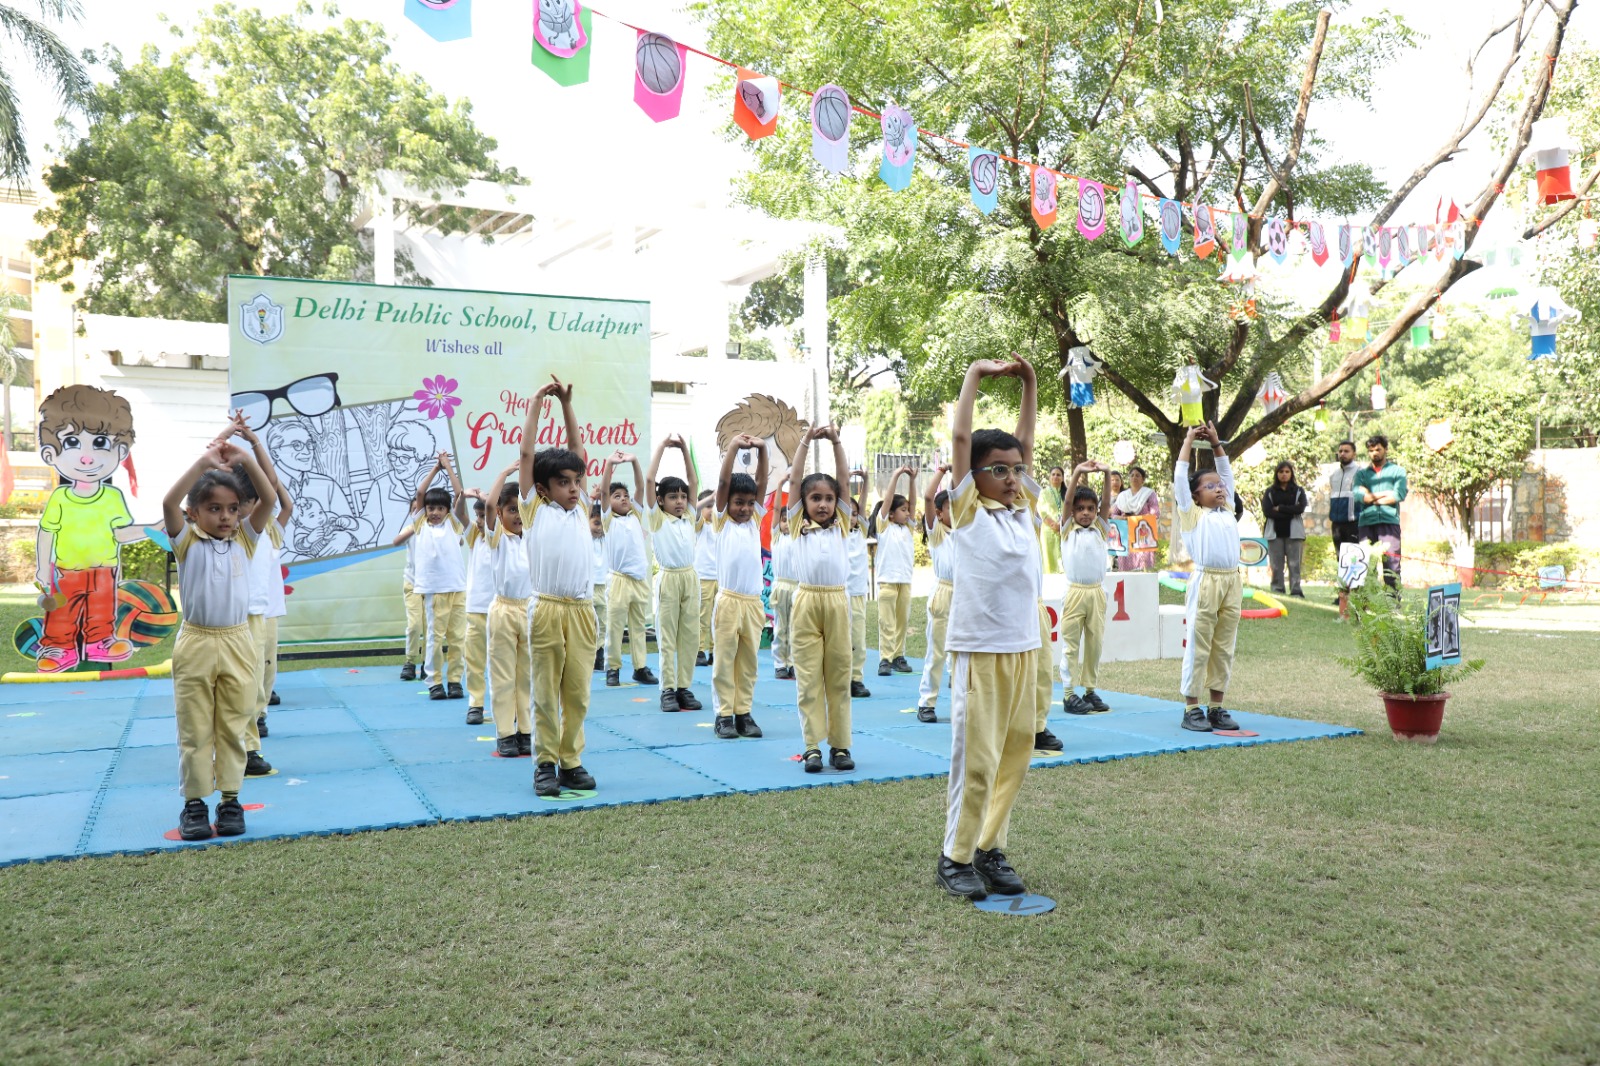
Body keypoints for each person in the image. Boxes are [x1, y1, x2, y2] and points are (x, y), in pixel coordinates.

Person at [938, 356, 1041, 902]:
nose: (1009, 477)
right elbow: (961, 434)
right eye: (997, 469)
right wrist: (975, 372)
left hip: (1024, 648)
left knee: (1014, 753)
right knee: (976, 761)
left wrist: (1029, 382)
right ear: (974, 476)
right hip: (980, 651)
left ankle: (988, 846)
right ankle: (954, 856)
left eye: (1015, 469)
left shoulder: (1022, 506)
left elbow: (1023, 440)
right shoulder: (968, 512)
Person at [163, 430, 275, 841]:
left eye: (231, 509)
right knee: (194, 727)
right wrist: (204, 463)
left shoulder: (245, 539)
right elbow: (167, 503)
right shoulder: (186, 540)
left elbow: (270, 500)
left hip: (237, 641)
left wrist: (245, 458)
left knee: (233, 723)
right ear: (195, 513)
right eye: (214, 508)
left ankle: (230, 800)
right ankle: (194, 803)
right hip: (196, 642)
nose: (225, 516)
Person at [518, 376, 599, 798]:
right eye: (563, 482)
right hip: (547, 608)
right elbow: (527, 453)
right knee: (546, 692)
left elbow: (577, 450)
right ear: (544, 487)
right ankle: (545, 763)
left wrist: (567, 404)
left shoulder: (581, 505)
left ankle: (571, 761)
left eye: (575, 481)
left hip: (583, 611)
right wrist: (536, 404)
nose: (571, 488)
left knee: (578, 693)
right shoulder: (533, 509)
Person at [33, 384, 145, 673]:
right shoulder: (60, 498)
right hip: (66, 572)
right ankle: (59, 648)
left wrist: (153, 528)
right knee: (61, 614)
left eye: (99, 444)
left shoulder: (112, 498)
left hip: (104, 570)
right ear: (50, 454)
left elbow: (120, 533)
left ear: (120, 452)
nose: (87, 457)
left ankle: (101, 641)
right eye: (71, 443)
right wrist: (43, 568)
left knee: (101, 611)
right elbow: (47, 533)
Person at [785, 424, 855, 772]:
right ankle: (812, 746)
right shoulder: (797, 523)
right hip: (807, 604)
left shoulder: (843, 522)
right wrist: (805, 441)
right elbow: (795, 480)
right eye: (816, 498)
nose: (824, 504)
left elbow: (843, 476)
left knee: (839, 676)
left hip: (838, 603)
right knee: (809, 677)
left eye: (829, 498)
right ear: (804, 503)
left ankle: (840, 746)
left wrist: (836, 442)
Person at [228, 414, 294, 779]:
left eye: (253, 500)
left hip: (264, 613)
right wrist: (229, 446)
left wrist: (253, 444)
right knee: (240, 682)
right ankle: (242, 742)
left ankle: (254, 729)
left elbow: (274, 489)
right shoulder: (231, 528)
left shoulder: (269, 529)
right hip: (234, 616)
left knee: (262, 676)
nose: (249, 506)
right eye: (243, 502)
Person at [1174, 423, 1243, 733]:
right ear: (1194, 495)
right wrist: (1189, 440)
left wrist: (1216, 443)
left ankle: (1216, 706)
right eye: (1210, 486)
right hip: (1206, 583)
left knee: (1224, 646)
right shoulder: (1192, 514)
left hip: (1232, 582)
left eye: (1220, 486)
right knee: (1199, 645)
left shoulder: (1227, 510)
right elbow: (1180, 477)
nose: (1219, 488)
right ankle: (1192, 708)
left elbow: (1226, 474)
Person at [393, 453, 469, 702]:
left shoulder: (454, 524)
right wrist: (436, 469)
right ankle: (434, 681)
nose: (435, 512)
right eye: (430, 508)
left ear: (447, 511)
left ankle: (455, 679)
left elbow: (459, 495)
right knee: (435, 639)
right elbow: (419, 493)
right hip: (434, 592)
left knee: (458, 638)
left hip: (457, 588)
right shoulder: (420, 524)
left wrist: (449, 468)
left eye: (440, 508)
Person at [711, 434, 770, 740]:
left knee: (748, 662)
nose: (746, 508)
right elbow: (722, 484)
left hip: (753, 603)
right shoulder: (721, 522)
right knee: (724, 660)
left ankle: (743, 712)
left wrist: (761, 449)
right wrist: (733, 447)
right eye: (739, 503)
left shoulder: (753, 522)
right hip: (729, 602)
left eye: (749, 503)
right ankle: (723, 715)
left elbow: (761, 482)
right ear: (727, 503)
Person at [644, 435, 703, 713]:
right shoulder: (657, 519)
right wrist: (662, 447)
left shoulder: (690, 516)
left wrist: (683, 452)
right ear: (660, 500)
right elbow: (648, 480)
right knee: (667, 636)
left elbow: (694, 482)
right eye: (673, 497)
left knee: (690, 636)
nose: (680, 501)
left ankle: (684, 687)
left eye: (682, 496)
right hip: (669, 578)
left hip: (690, 578)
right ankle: (667, 689)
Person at [484, 461, 532, 758]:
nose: (517, 515)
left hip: (530, 609)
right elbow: (488, 504)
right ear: (501, 514)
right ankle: (505, 732)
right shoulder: (497, 538)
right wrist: (504, 474)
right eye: (511, 509)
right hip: (503, 610)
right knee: (503, 675)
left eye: (520, 509)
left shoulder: (533, 537)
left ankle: (526, 730)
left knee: (526, 675)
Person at [599, 451, 658, 688]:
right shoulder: (608, 520)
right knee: (614, 626)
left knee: (638, 627)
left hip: (638, 580)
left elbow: (640, 488)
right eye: (617, 496)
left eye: (625, 495)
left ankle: (640, 667)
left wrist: (635, 461)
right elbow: (603, 492)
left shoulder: (635, 515)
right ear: (608, 502)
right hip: (619, 580)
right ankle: (612, 668)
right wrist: (610, 463)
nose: (623, 499)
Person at [1059, 460, 1114, 716]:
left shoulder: (1100, 529)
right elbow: (1067, 501)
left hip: (1097, 593)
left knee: (1095, 643)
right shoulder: (1068, 530)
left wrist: (1106, 473)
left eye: (1090, 509)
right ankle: (1069, 693)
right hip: (1075, 593)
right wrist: (1078, 472)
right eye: (1080, 509)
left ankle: (1090, 690)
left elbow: (1106, 500)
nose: (1085, 513)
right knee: (1071, 644)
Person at [915, 464, 955, 723]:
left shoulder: (967, 530)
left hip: (966, 595)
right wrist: (943, 470)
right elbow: (929, 497)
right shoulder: (938, 533)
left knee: (963, 653)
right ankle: (926, 703)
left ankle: (964, 701)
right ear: (939, 515)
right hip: (944, 593)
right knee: (937, 651)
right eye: (952, 507)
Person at [873, 465, 917, 675]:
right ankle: (885, 658)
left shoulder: (908, 527)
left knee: (902, 621)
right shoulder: (884, 527)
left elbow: (915, 504)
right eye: (903, 510)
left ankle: (898, 656)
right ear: (890, 514)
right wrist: (896, 475)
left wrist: (912, 481)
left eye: (908, 510)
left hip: (905, 582)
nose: (908, 513)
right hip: (887, 582)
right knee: (886, 622)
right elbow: (888, 500)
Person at [1353, 434, 1407, 591]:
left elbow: (1398, 495)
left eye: (1378, 449)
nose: (1374, 453)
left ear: (1385, 450)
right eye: (1371, 450)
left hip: (1389, 521)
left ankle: (1392, 604)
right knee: (1366, 566)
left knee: (1391, 565)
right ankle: (1368, 602)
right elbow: (1358, 495)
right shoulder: (1361, 474)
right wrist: (1385, 493)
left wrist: (1371, 497)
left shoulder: (1398, 471)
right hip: (1366, 523)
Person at [462, 493, 495, 724]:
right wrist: (463, 495)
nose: (480, 521)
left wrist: (487, 499)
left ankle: (509, 704)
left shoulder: (503, 538)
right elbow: (459, 514)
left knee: (502, 664)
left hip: (500, 610)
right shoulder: (475, 537)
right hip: (475, 609)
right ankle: (476, 704)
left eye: (484, 516)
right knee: (474, 661)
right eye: (478, 516)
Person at [1261, 460, 1309, 598]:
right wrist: (1290, 511)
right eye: (1281, 472)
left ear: (1291, 474)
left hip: (1294, 532)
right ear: (1277, 474)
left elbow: (1300, 508)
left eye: (1287, 472)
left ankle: (1296, 590)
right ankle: (1277, 589)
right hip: (1275, 533)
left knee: (1295, 564)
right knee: (1276, 565)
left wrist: (1280, 508)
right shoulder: (1270, 492)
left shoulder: (1298, 491)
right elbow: (1268, 511)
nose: (1284, 475)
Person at [845, 470, 872, 699]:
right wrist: (845, 482)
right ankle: (840, 678)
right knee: (840, 639)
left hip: (858, 593)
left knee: (858, 640)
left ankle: (856, 678)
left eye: (855, 514)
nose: (852, 517)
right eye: (848, 513)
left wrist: (866, 481)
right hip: (840, 594)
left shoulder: (861, 531)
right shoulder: (838, 532)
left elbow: (862, 505)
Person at [769, 476, 798, 681]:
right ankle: (780, 663)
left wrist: (797, 484)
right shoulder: (776, 536)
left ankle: (795, 663)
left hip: (797, 587)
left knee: (796, 628)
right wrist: (780, 486)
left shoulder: (799, 536)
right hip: (781, 586)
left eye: (791, 520)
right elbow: (777, 509)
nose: (787, 523)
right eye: (784, 520)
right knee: (780, 627)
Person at [1328, 441, 1362, 598]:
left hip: (1353, 523)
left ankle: (1355, 596)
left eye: (1346, 451)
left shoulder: (1360, 473)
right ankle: (1342, 596)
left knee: (1353, 560)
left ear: (1354, 454)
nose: (1343, 453)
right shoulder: (1334, 475)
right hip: (1336, 523)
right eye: (1340, 451)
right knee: (1340, 559)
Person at [1111, 465, 1160, 572]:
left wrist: (1136, 519)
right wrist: (1121, 518)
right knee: (1125, 568)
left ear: (1143, 479)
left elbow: (1155, 513)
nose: (1134, 477)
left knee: (1143, 567)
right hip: (1126, 535)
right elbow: (1113, 514)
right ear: (1129, 479)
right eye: (1132, 475)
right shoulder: (1123, 496)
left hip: (1142, 534)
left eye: (1138, 475)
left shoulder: (1149, 494)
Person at [694, 490, 718, 668]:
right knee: (703, 616)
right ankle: (700, 649)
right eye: (709, 506)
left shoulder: (722, 525)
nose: (712, 510)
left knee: (718, 618)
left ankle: (715, 650)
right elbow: (694, 510)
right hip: (703, 577)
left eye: (715, 506)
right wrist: (708, 500)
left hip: (721, 578)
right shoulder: (700, 525)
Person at [589, 502, 607, 671]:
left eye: (602, 523)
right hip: (587, 587)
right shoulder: (583, 537)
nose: (600, 528)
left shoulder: (606, 538)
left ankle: (599, 653)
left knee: (602, 623)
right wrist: (593, 498)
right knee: (587, 623)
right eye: (596, 523)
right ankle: (588, 654)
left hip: (604, 586)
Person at [1039, 466, 1065, 574]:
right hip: (1048, 531)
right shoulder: (1044, 493)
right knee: (1048, 560)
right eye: (1053, 474)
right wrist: (1053, 525)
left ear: (1062, 478)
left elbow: (1070, 511)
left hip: (1064, 530)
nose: (1055, 477)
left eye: (1058, 475)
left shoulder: (1067, 494)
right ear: (1049, 477)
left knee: (1064, 559)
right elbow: (1042, 511)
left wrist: (1061, 525)